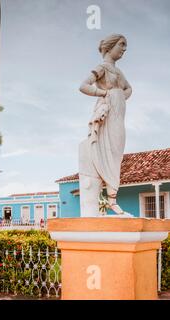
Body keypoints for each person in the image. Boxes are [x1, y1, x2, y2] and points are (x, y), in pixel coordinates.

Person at [79, 34, 132, 216]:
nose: (124, 49)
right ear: (110, 47)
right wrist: (105, 94)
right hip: (107, 115)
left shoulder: (118, 72)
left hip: (119, 117)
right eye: (121, 45)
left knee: (117, 154)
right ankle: (111, 200)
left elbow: (129, 88)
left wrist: (119, 96)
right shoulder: (102, 68)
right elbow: (84, 86)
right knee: (107, 152)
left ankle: (112, 199)